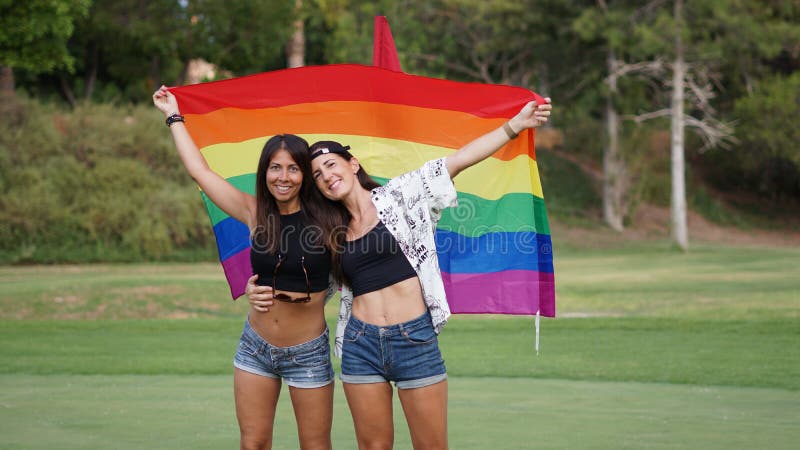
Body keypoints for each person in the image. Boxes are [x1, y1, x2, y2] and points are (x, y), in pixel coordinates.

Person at [248, 98, 552, 449]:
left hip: (415, 340)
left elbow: (458, 160)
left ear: (352, 163)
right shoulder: (330, 230)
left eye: (331, 164)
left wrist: (515, 125)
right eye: (316, 175)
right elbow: (295, 269)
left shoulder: (401, 195)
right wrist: (257, 287)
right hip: (361, 344)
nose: (326, 176)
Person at [153, 85, 346, 450]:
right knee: (253, 443)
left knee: (316, 446)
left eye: (293, 168)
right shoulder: (254, 211)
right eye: (275, 168)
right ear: (265, 171)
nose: (283, 177)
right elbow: (200, 171)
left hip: (308, 352)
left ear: (306, 174)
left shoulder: (330, 220)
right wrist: (173, 116)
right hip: (255, 348)